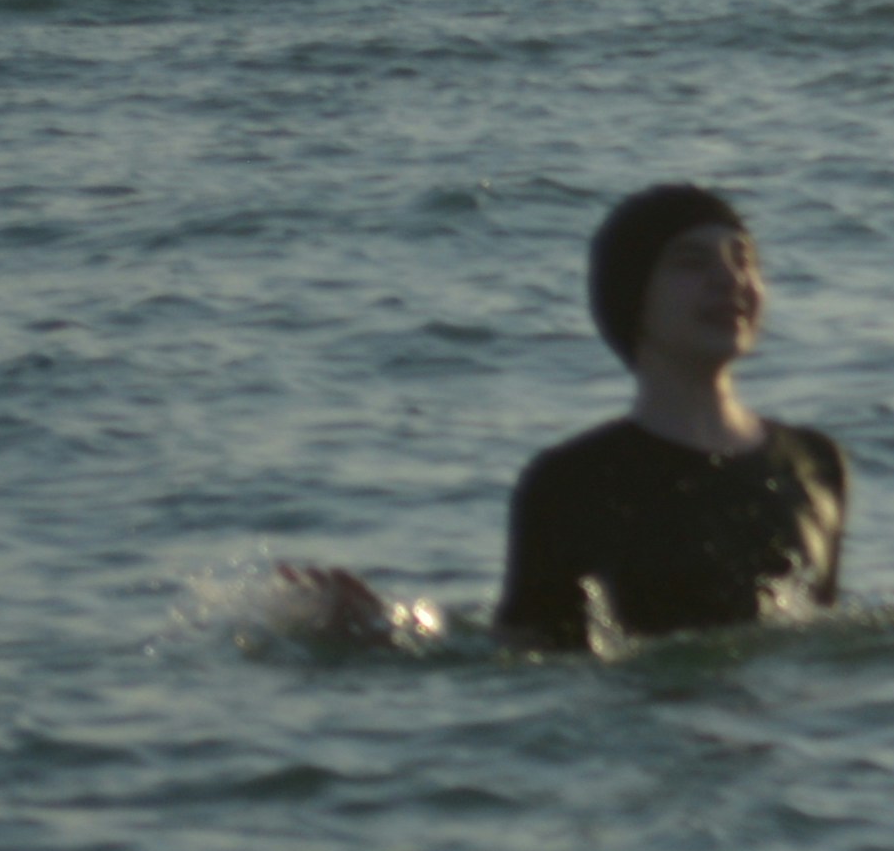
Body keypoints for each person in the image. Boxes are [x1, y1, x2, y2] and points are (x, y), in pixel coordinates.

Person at [287, 183, 853, 649]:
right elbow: (518, 661)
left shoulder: (815, 463)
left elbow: (825, 645)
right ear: (635, 298)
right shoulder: (571, 482)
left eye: (742, 260)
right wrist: (390, 637)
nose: (729, 280)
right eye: (692, 262)